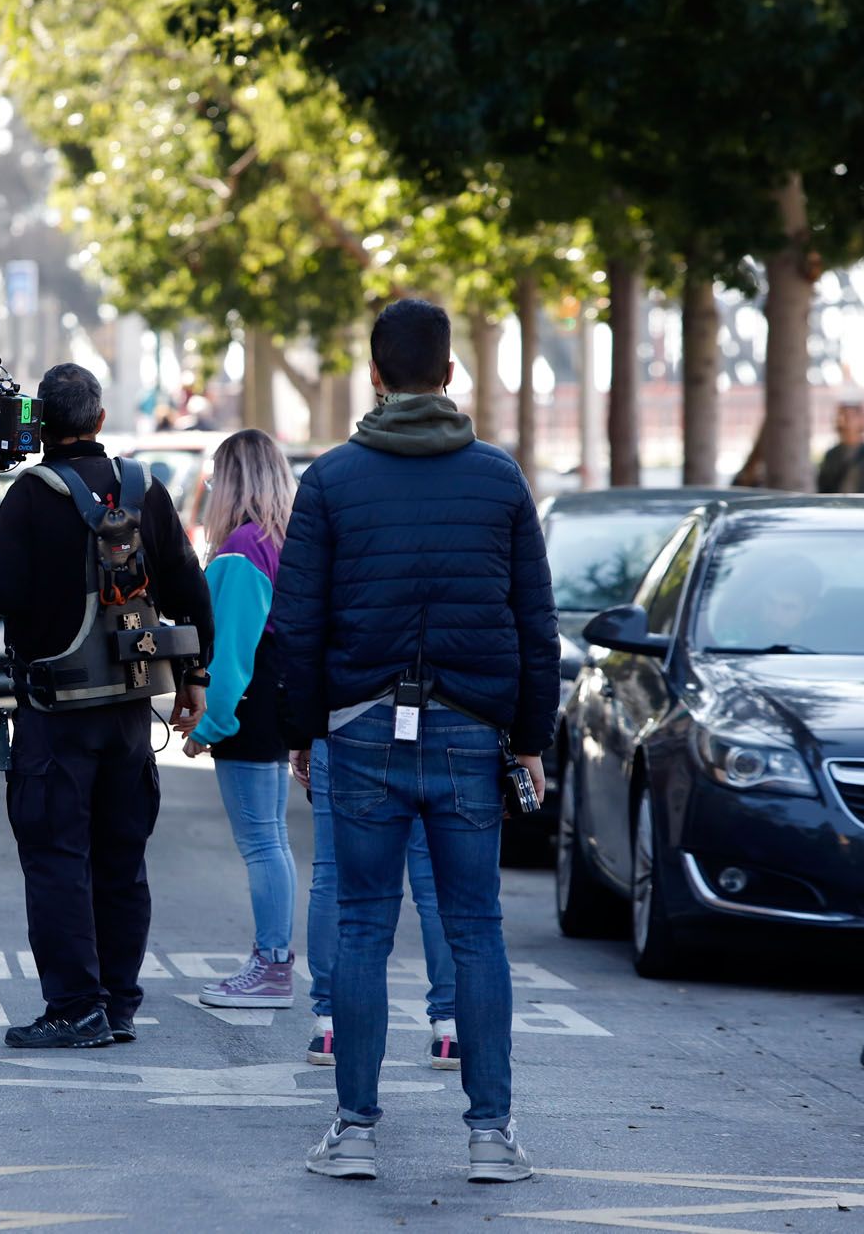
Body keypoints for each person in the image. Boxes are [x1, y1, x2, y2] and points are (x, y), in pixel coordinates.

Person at [274, 299, 556, 1185]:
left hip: (359, 729)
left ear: (376, 372)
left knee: (360, 925)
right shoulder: (499, 478)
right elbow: (535, 624)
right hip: (472, 732)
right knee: (476, 929)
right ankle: (490, 1134)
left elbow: (296, 626)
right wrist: (532, 736)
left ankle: (353, 1130)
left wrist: (299, 733)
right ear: (449, 375)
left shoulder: (330, 480)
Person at [0, 363, 214, 1050]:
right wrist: (197, 676)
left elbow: (6, 589)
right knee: (122, 858)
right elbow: (190, 585)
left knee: (57, 857)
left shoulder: (31, 496)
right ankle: (118, 1003)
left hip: (56, 713)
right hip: (131, 710)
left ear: (40, 427)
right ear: (99, 422)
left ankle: (75, 1006)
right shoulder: (143, 488)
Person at [182, 430, 298, 1009]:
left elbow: (229, 658)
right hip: (278, 707)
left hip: (247, 714)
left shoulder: (239, 550)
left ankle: (272, 964)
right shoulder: (284, 542)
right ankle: (274, 960)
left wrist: (206, 728)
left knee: (261, 843)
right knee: (272, 840)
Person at [300, 743, 461, 1071]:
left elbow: (306, 690)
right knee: (434, 883)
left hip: (344, 733)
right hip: (432, 734)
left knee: (333, 873)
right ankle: (448, 1029)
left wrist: (300, 734)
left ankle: (329, 1024)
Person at [817, 400, 864, 494]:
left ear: (861, 420)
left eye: (851, 416)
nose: (846, 420)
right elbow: (823, 489)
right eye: (842, 416)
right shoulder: (831, 455)